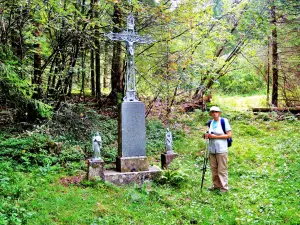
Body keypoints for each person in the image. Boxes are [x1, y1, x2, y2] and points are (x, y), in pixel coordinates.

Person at [204, 106, 232, 192]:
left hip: (221, 149)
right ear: (211, 114)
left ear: (219, 113)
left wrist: (215, 136)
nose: (214, 113)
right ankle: (216, 185)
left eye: (216, 112)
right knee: (214, 168)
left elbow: (229, 135)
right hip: (212, 149)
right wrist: (206, 135)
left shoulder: (224, 121)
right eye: (212, 112)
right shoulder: (210, 123)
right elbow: (209, 133)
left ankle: (224, 187)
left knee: (222, 169)